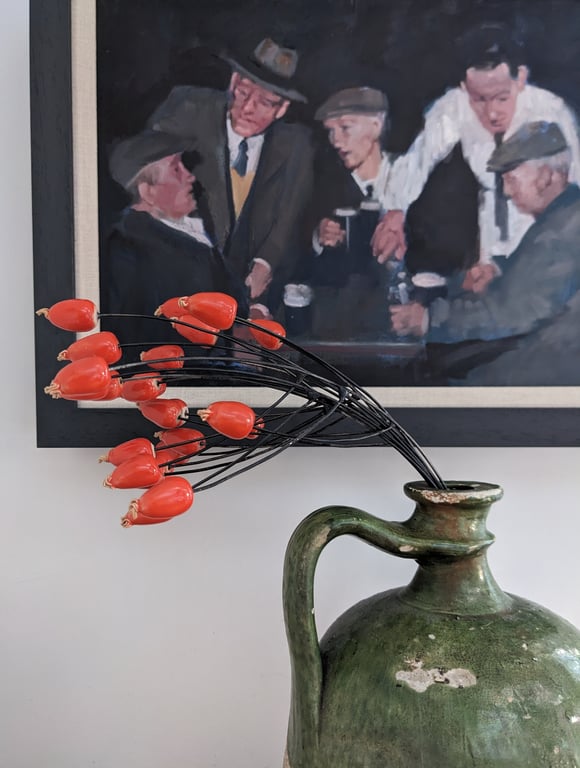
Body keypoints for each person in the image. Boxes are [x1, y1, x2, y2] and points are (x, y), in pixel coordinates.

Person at [372, 23, 580, 296]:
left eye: (502, 97)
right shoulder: (452, 108)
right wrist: (394, 211)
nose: (492, 113)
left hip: (546, 246)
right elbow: (414, 165)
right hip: (490, 246)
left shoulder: (553, 115)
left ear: (521, 79)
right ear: (463, 86)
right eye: (479, 99)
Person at [389, 121, 580, 385]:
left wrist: (429, 319)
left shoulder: (562, 232)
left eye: (512, 179)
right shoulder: (565, 216)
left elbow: (514, 313)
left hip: (540, 371)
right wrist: (500, 270)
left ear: (547, 175)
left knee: (421, 375)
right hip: (538, 357)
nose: (507, 192)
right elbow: (535, 287)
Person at [146, 37, 314, 317]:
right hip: (176, 297)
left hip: (246, 307)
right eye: (243, 93)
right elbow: (141, 178)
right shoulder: (185, 109)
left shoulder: (297, 145)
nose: (248, 108)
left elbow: (288, 218)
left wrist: (266, 263)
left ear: (282, 108)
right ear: (233, 82)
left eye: (265, 102)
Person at [101, 129, 246, 349]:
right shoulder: (127, 247)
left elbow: (235, 300)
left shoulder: (192, 232)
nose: (190, 176)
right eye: (177, 169)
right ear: (147, 191)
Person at [303, 87, 395, 339]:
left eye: (345, 128)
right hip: (353, 325)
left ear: (376, 126)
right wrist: (317, 238)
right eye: (331, 131)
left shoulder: (412, 177)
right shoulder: (326, 189)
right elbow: (300, 260)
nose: (336, 141)